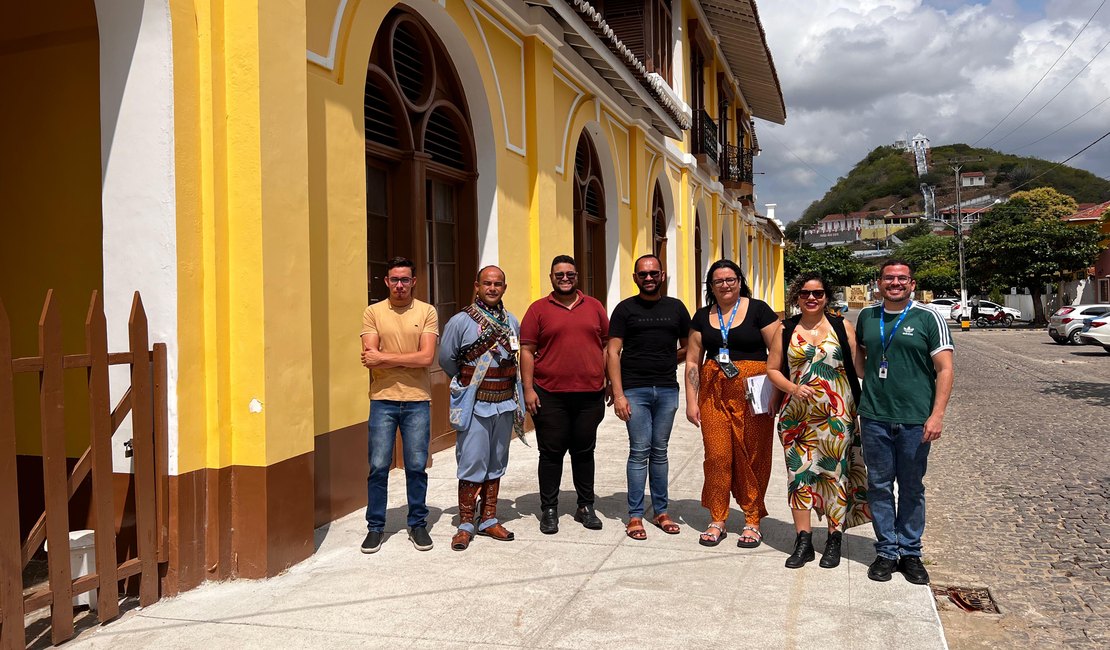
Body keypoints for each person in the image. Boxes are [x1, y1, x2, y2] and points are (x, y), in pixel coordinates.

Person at [854, 259, 954, 584]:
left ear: (912, 284)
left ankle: (910, 552)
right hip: (874, 418)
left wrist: (937, 415)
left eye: (902, 278)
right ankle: (886, 551)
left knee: (911, 487)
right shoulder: (867, 317)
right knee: (879, 487)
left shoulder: (929, 317)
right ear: (879, 282)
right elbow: (859, 363)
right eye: (888, 278)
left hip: (914, 420)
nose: (895, 283)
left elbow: (945, 369)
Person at [766, 273, 871, 569]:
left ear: (827, 296)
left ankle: (834, 540)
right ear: (796, 297)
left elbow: (861, 367)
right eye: (805, 294)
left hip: (838, 417)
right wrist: (792, 388)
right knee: (799, 477)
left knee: (835, 476)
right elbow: (772, 368)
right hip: (796, 419)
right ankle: (804, 541)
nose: (812, 298)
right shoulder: (785, 329)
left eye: (818, 293)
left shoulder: (841, 326)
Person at [684, 259, 778, 548]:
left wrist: (776, 392)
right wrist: (691, 401)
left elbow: (778, 349)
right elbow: (692, 359)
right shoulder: (702, 316)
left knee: (754, 455)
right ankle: (717, 518)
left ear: (739, 281)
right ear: (711, 286)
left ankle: (752, 519)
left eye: (730, 279)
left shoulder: (759, 310)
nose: (725, 285)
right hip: (714, 393)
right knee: (717, 455)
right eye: (718, 281)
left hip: (754, 394)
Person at [521, 255, 610, 535]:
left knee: (584, 452)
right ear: (551, 277)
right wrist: (527, 389)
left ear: (577, 276)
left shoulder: (595, 307)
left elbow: (607, 345)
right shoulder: (537, 310)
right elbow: (526, 351)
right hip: (550, 394)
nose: (565, 278)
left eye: (569, 274)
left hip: (590, 394)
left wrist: (609, 380)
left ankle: (586, 506)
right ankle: (549, 509)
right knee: (551, 453)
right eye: (559, 274)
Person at [439, 266, 526, 551]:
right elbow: (447, 360)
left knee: (496, 462)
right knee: (472, 462)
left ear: (504, 287)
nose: (492, 288)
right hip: (476, 405)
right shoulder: (460, 322)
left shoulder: (512, 321)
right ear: (476, 285)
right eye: (487, 283)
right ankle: (465, 523)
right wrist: (471, 382)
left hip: (504, 404)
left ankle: (488, 519)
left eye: (497, 284)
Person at [607, 254, 690, 540]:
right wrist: (618, 394)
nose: (649, 278)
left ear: (662, 275)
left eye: (653, 273)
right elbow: (612, 352)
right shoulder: (625, 310)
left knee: (660, 451)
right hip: (635, 390)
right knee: (639, 451)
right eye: (643, 274)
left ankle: (662, 512)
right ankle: (635, 515)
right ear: (635, 278)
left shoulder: (677, 308)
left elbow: (689, 348)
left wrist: (666, 359)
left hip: (667, 389)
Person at [359, 257, 439, 553]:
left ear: (414, 281)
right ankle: (375, 527)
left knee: (416, 466)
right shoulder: (373, 312)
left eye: (405, 279)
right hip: (382, 400)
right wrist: (405, 358)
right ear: (386, 281)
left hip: (417, 400)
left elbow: (427, 358)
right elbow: (369, 356)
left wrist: (386, 358)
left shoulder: (426, 312)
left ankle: (417, 523)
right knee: (378, 466)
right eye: (395, 279)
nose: (400, 285)